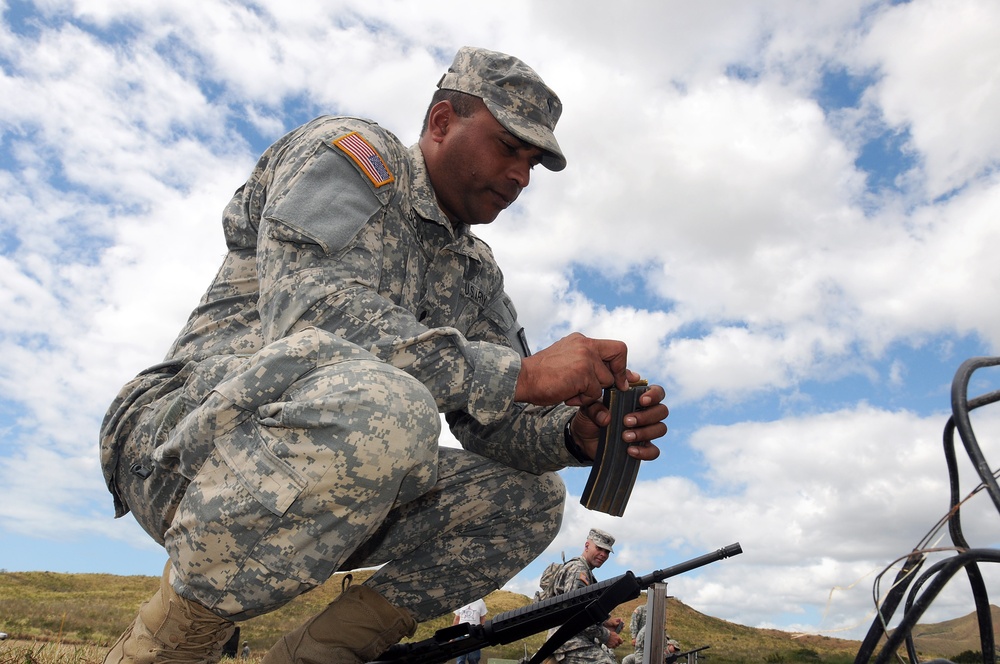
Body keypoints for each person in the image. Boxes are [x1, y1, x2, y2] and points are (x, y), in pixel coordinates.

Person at [99, 45, 669, 664]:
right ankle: (167, 649)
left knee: (528, 503)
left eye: (533, 163)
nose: (521, 177)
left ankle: (317, 657)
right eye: (509, 147)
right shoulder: (353, 156)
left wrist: (576, 436)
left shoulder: (475, 276)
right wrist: (526, 374)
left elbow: (496, 419)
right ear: (442, 122)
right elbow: (309, 313)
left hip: (338, 473)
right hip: (185, 441)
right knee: (390, 410)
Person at [543, 529, 624, 664]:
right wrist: (606, 636)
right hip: (569, 642)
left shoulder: (585, 572)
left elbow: (585, 609)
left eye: (607, 552)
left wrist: (605, 621)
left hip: (571, 639)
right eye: (599, 548)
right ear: (587, 546)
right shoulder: (579, 571)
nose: (603, 554)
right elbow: (576, 614)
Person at [452, 598, 488, 664]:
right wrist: (452, 635)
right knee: (460, 659)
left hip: (475, 634)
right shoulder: (460, 600)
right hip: (460, 633)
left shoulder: (480, 601)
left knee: (474, 658)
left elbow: (483, 618)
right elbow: (457, 619)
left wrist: (482, 631)